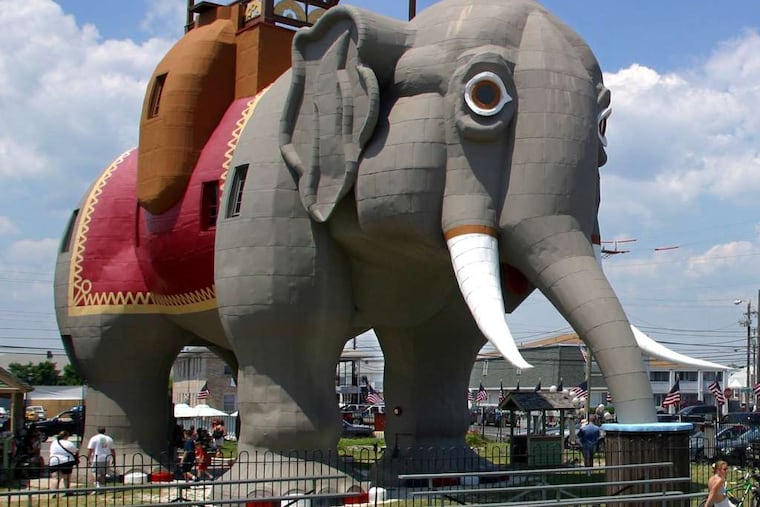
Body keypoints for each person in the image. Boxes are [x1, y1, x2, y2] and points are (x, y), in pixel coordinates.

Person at [49, 430, 78, 496]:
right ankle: (67, 491)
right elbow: (75, 450)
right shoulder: (68, 443)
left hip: (54, 461)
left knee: (55, 478)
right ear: (66, 436)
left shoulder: (54, 442)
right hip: (66, 461)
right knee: (66, 477)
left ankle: (54, 493)